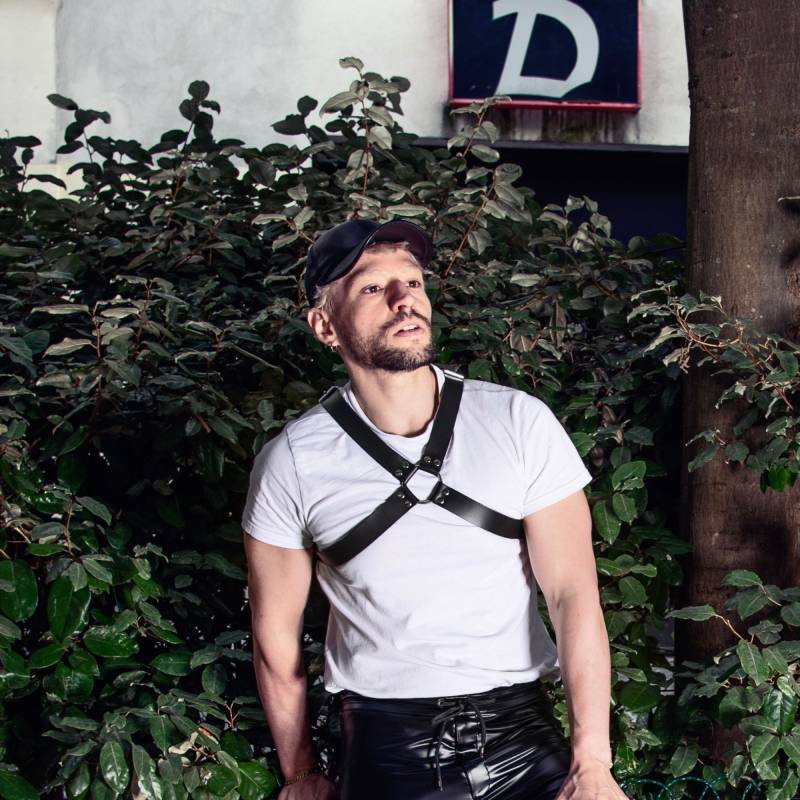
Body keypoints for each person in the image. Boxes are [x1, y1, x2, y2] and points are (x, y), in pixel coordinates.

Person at [243, 219, 628, 800]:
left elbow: (573, 595)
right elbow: (274, 637)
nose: (404, 300)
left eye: (413, 282)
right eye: (373, 287)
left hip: (525, 737)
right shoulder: (293, 461)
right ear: (325, 326)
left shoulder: (517, 421)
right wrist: (300, 773)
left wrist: (592, 760)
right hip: (389, 752)